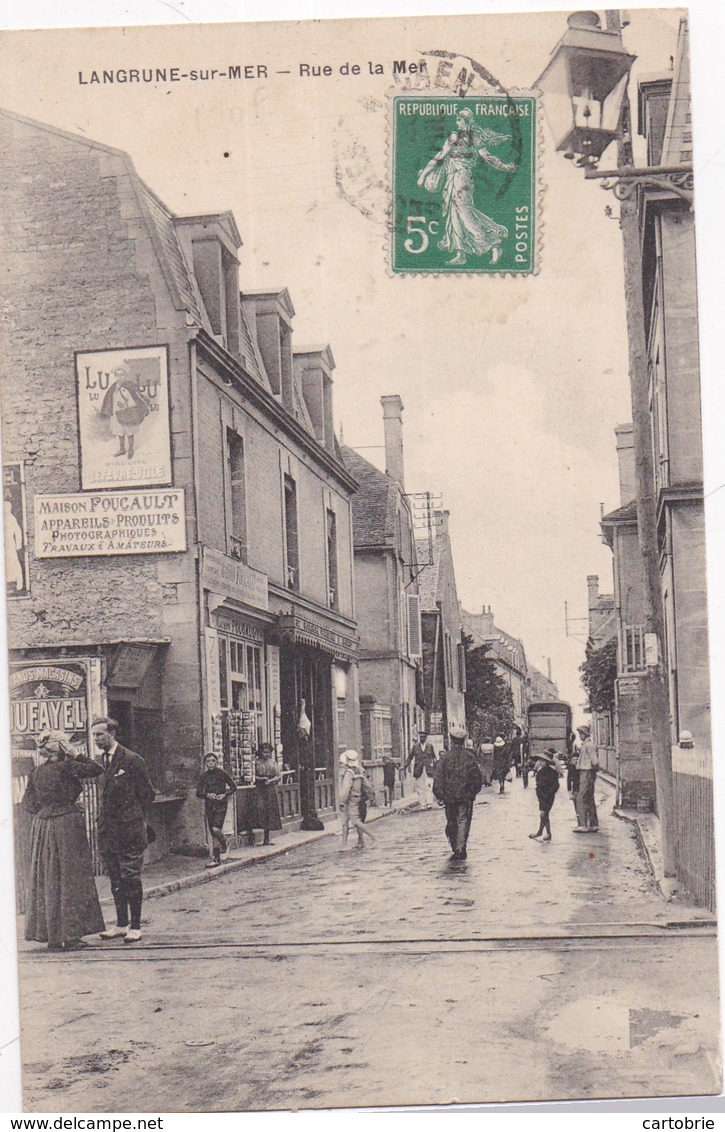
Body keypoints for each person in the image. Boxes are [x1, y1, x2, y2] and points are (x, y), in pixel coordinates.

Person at [22, 730, 105, 951]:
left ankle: (51, 935)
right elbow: (97, 770)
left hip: (43, 826)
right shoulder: (69, 766)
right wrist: (76, 755)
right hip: (67, 824)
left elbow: (28, 804)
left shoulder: (36, 771)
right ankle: (72, 935)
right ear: (62, 747)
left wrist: (47, 809)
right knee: (71, 876)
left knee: (48, 877)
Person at [417, 106, 517, 266]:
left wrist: (505, 167)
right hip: (453, 179)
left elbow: (488, 157)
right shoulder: (455, 137)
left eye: (459, 119)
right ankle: (460, 253)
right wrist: (423, 176)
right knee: (454, 213)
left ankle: (493, 243)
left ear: (467, 121)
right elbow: (439, 156)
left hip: (463, 179)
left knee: (464, 212)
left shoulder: (472, 138)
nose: (457, 122)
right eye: (457, 119)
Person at [92, 716, 156, 943]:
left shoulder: (132, 760)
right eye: (94, 735)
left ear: (112, 734)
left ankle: (136, 926)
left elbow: (147, 794)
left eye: (100, 734)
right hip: (109, 832)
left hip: (129, 831)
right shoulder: (101, 762)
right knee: (116, 878)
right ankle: (121, 924)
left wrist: (133, 818)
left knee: (130, 877)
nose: (96, 739)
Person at [432, 726, 483, 860]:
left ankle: (456, 846)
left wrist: (438, 794)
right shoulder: (469, 757)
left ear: (451, 740)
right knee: (463, 821)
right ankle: (460, 847)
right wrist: (473, 792)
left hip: (449, 797)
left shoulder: (445, 758)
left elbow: (438, 777)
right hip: (465, 796)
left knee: (452, 821)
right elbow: (477, 777)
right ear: (463, 741)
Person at [99, 365, 149, 459]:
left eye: (122, 375)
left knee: (129, 431)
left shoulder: (129, 386)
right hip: (116, 413)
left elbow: (135, 400)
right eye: (117, 375)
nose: (120, 377)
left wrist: (125, 406)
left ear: (125, 376)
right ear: (115, 376)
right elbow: (110, 398)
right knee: (120, 432)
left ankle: (131, 449)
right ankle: (122, 449)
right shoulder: (114, 387)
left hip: (127, 413)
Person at [196, 753, 237, 867]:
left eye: (213, 761)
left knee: (216, 828)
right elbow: (198, 793)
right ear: (205, 763)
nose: (211, 763)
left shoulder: (222, 773)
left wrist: (224, 795)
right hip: (210, 805)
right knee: (213, 832)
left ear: (216, 762)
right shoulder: (203, 776)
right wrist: (207, 795)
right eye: (208, 761)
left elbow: (233, 787)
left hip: (221, 805)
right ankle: (216, 858)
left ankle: (224, 843)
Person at [339, 750, 375, 850]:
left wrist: (342, 801)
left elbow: (346, 788)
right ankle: (356, 843)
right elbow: (367, 785)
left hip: (351, 800)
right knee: (350, 821)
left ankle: (374, 838)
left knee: (353, 822)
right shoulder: (359, 770)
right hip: (358, 799)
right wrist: (372, 796)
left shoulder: (349, 773)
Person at [247, 742, 282, 846]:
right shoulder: (256, 763)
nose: (267, 754)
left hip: (270, 789)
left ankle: (267, 838)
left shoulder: (272, 762)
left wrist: (272, 780)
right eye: (265, 752)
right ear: (260, 752)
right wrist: (262, 779)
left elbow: (279, 775)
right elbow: (252, 776)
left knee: (269, 811)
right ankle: (254, 836)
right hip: (259, 788)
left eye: (268, 752)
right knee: (260, 808)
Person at [529, 747, 561, 842]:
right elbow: (538, 784)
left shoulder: (552, 772)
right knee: (544, 814)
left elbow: (556, 785)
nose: (540, 762)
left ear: (547, 761)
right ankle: (545, 833)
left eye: (542, 760)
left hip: (548, 796)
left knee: (544, 814)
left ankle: (544, 832)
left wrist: (549, 793)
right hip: (541, 796)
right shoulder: (540, 771)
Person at [573, 725, 600, 833]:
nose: (580, 736)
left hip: (586, 771)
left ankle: (583, 824)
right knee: (589, 797)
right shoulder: (587, 745)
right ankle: (593, 824)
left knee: (581, 797)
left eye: (581, 734)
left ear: (585, 734)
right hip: (588, 772)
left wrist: (592, 771)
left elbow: (595, 761)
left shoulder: (589, 745)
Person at [404, 731, 437, 809]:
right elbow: (410, 757)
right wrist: (405, 766)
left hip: (428, 770)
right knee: (420, 788)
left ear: (426, 738)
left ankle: (429, 803)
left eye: (424, 737)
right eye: (421, 737)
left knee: (429, 786)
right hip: (419, 770)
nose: (422, 738)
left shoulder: (430, 746)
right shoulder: (415, 747)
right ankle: (422, 804)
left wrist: (435, 768)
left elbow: (434, 758)